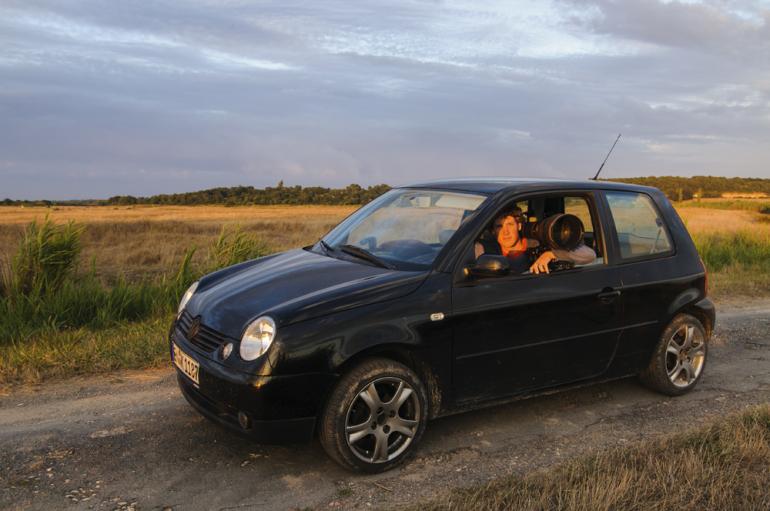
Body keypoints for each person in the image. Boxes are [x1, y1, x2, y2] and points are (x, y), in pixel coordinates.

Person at [474, 207, 596, 274]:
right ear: (493, 231)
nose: (505, 232)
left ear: (519, 226)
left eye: (510, 224)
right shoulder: (485, 249)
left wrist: (551, 254)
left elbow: (590, 256)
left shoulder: (539, 244)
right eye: (499, 226)